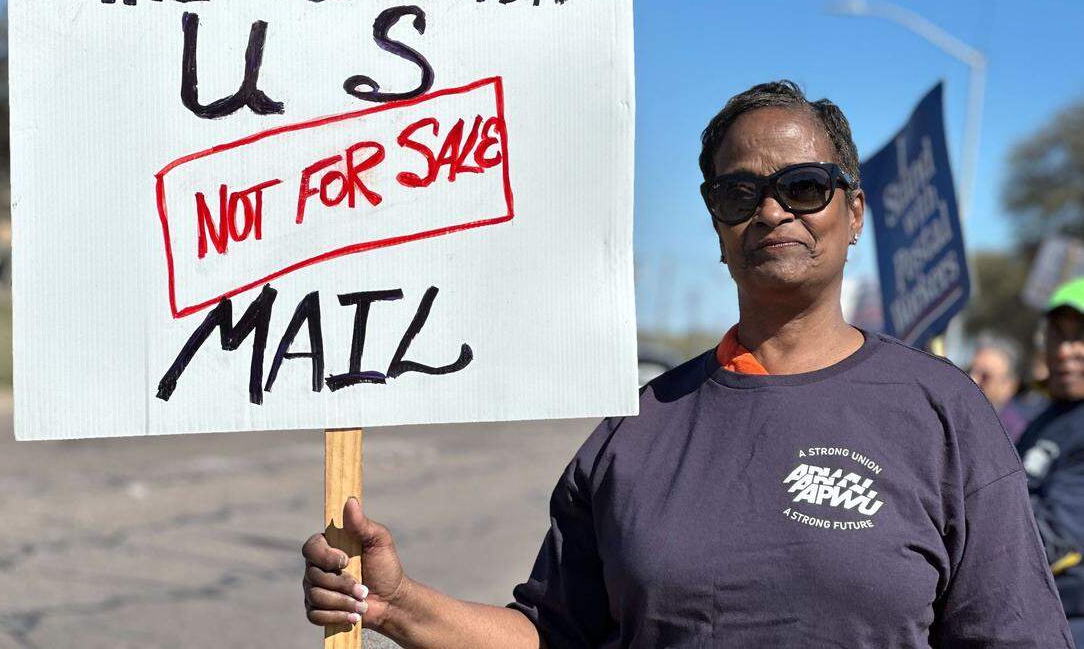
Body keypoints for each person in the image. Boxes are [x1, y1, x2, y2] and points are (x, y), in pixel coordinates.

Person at [302, 81, 1073, 647]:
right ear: (716, 222)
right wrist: (393, 603)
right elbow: (548, 636)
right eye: (740, 193)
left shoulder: (944, 412)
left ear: (854, 209)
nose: (772, 211)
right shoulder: (633, 433)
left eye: (802, 187)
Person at [1016, 276, 1084, 645]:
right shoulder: (1045, 419)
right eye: (1059, 334)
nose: (1065, 351)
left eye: (1080, 336)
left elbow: (1057, 538)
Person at [967, 333, 1027, 439]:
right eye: (968, 371)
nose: (973, 380)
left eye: (985, 377)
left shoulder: (1016, 434)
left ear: (1008, 385)